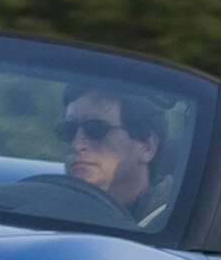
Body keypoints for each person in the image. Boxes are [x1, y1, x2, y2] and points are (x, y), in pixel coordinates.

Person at [55, 86, 173, 225]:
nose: (77, 144)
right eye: (68, 130)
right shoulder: (47, 211)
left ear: (148, 147)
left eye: (95, 129)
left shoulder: (176, 221)